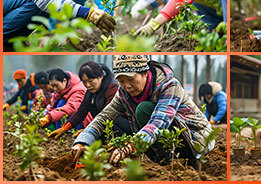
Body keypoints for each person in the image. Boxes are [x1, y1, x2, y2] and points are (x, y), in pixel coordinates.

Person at [72, 56, 214, 165]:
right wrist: (83, 142)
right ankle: (164, 160)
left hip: (197, 137)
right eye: (121, 81)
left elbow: (159, 122)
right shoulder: (123, 93)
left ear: (145, 73)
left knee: (143, 109)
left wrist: (131, 146)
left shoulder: (170, 86)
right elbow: (104, 117)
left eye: (131, 79)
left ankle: (174, 160)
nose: (127, 86)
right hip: (169, 139)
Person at [48, 62, 131, 139]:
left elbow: (108, 115)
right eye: (84, 82)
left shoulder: (112, 89)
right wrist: (64, 128)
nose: (88, 85)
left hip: (123, 126)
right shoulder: (90, 93)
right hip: (103, 125)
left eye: (91, 81)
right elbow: (81, 112)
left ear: (101, 77)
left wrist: (88, 130)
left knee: (108, 122)